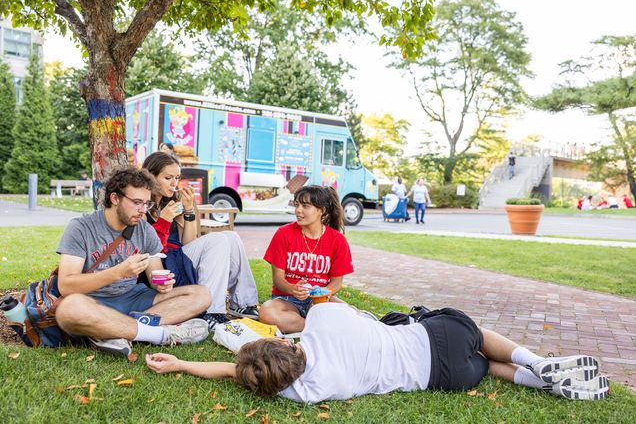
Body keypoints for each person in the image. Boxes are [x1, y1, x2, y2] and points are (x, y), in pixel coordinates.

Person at [146, 303, 610, 402]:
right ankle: (537, 363)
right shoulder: (324, 320)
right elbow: (360, 315)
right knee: (479, 333)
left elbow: (234, 370)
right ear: (283, 341)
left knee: (484, 365)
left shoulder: (305, 392)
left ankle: (531, 379)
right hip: (438, 339)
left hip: (446, 378)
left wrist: (184, 363)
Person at [54, 167, 211, 357]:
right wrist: (118, 272)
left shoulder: (144, 230)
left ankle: (112, 331)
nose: (143, 210)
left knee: (201, 295)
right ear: (115, 198)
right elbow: (66, 285)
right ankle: (159, 334)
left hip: (134, 300)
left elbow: (155, 278)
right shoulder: (81, 228)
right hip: (95, 301)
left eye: (147, 204)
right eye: (137, 203)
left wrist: (163, 284)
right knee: (69, 309)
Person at [142, 152, 259, 331]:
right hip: (161, 265)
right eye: (168, 178)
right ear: (151, 176)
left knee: (231, 237)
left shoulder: (171, 203)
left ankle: (243, 303)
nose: (174, 184)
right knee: (217, 240)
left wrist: (189, 210)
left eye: (177, 178)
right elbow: (149, 247)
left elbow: (189, 241)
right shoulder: (142, 206)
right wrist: (164, 220)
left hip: (179, 257)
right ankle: (211, 312)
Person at [257, 185, 354, 334]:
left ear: (321, 210)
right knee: (266, 312)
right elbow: (278, 279)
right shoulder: (283, 234)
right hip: (287, 300)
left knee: (349, 314)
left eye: (305, 206)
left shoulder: (338, 240)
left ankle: (314, 324)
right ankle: (320, 327)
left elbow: (336, 282)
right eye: (297, 205)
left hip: (320, 300)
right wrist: (293, 289)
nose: (298, 210)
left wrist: (321, 294)